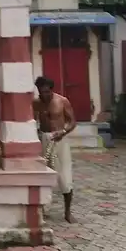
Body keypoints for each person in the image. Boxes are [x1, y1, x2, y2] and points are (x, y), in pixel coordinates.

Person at [33, 76, 77, 223]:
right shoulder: (37, 103)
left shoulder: (62, 101)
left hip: (60, 138)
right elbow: (33, 120)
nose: (44, 95)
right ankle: (44, 209)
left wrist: (63, 132)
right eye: (41, 92)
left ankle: (68, 212)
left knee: (64, 176)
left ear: (51, 90)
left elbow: (72, 121)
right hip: (44, 138)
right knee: (44, 173)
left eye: (46, 92)